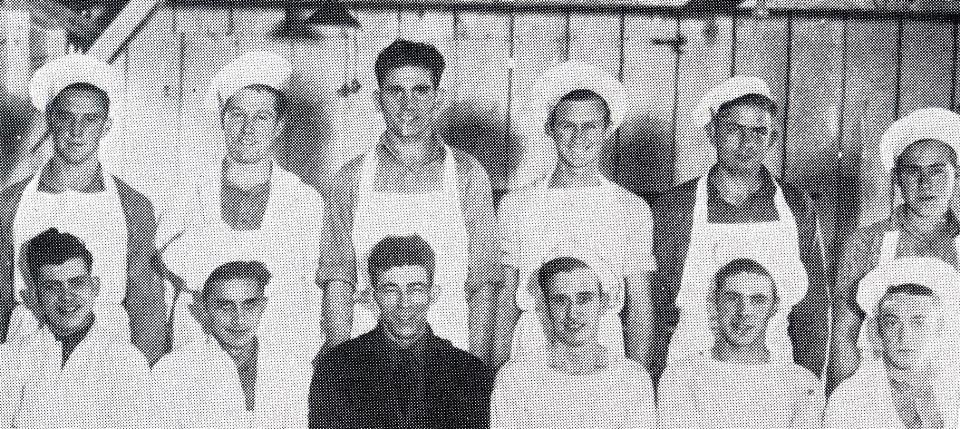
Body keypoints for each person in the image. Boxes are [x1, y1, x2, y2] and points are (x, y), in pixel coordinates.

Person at [318, 39, 500, 359]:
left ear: (438, 98)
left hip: (449, 351)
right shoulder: (350, 178)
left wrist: (478, 369)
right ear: (377, 99)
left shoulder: (468, 174)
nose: (408, 105)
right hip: (369, 355)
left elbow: (483, 283)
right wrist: (338, 366)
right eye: (395, 91)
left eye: (420, 90)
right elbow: (339, 279)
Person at [650, 76, 828, 383]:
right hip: (691, 374)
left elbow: (811, 313)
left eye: (758, 132)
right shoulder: (675, 207)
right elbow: (653, 309)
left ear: (772, 139)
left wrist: (806, 386)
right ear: (712, 132)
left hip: (775, 375)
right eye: (734, 129)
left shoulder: (795, 206)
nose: (747, 143)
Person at [0, 54, 170, 363]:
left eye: (89, 119)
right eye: (66, 117)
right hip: (27, 353)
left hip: (107, 355)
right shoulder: (10, 203)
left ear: (106, 125)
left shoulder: (132, 205)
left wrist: (143, 373)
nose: (77, 131)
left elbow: (146, 303)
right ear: (51, 119)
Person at [164, 51, 325, 364]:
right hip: (199, 353)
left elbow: (313, 291)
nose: (248, 128)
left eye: (261, 118)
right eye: (237, 115)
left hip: (281, 355)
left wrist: (304, 358)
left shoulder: (304, 201)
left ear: (279, 126)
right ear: (223, 121)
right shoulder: (188, 195)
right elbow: (167, 289)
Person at [493, 61, 654, 367]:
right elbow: (506, 299)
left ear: (607, 131)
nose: (579, 136)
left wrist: (638, 379)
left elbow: (640, 305)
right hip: (533, 349)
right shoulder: (517, 204)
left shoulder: (630, 209)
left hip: (603, 350)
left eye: (590, 126)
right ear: (550, 129)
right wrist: (497, 374)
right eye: (568, 125)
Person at [829, 107, 960, 392]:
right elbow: (843, 335)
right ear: (898, 179)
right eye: (913, 171)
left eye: (938, 170)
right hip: (880, 396)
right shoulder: (867, 242)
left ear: (957, 176)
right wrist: (851, 402)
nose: (926, 182)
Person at [309, 234, 494, 429]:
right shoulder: (336, 368)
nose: (404, 304)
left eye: (416, 289)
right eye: (391, 290)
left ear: (433, 294)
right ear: (373, 297)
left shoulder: (468, 372)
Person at [4, 228, 155, 428]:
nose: (66, 296)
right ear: (35, 296)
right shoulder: (10, 358)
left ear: (95, 287)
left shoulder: (125, 361)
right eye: (52, 286)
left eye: (76, 283)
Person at [490, 256, 656, 429]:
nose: (573, 313)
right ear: (546, 307)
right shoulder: (517, 378)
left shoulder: (632, 380)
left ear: (603, 304)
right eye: (560, 300)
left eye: (584, 299)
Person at [657, 258, 823, 429]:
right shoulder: (682, 377)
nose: (744, 312)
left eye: (758, 300)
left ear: (774, 307)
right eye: (732, 298)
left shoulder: (802, 384)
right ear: (715, 303)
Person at [152, 260, 310, 428]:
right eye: (225, 307)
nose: (239, 319)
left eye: (249, 305)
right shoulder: (173, 372)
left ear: (262, 306)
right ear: (205, 310)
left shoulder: (293, 370)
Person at [826, 257, 960, 429]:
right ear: (876, 331)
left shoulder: (953, 390)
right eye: (892, 323)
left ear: (939, 328)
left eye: (918, 322)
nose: (905, 337)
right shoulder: (850, 400)